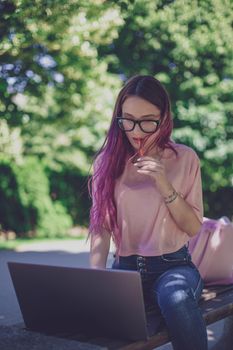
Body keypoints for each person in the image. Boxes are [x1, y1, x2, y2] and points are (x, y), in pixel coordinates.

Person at [88, 75, 208, 350]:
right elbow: (101, 228)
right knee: (110, 322)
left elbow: (192, 228)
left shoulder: (184, 158)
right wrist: (96, 278)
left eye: (148, 120)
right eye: (128, 119)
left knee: (176, 299)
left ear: (164, 118)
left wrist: (164, 184)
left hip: (174, 267)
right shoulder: (106, 162)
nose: (136, 130)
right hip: (125, 268)